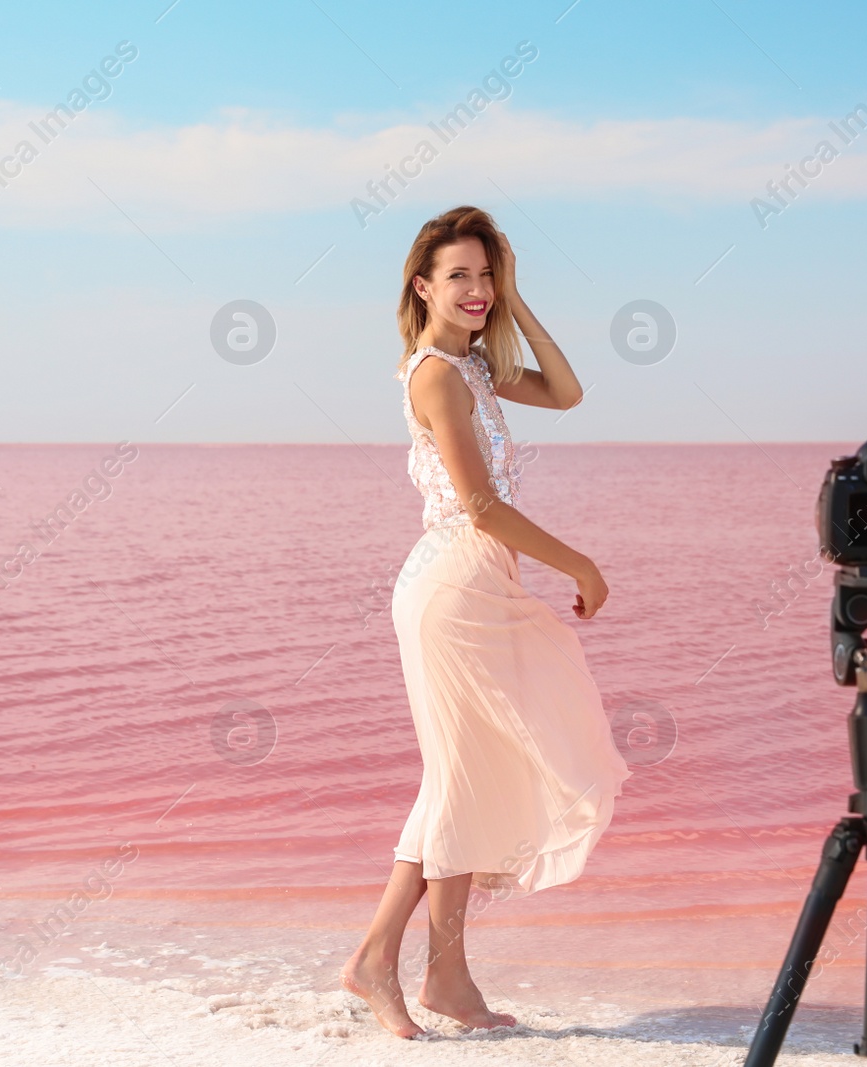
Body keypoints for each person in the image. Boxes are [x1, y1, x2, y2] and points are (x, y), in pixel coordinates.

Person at [340, 205, 632, 1038]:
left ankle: (446, 975)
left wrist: (517, 302)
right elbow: (477, 504)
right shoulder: (434, 373)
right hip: (455, 588)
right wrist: (579, 562)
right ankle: (384, 958)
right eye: (457, 275)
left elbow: (568, 393)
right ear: (421, 286)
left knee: (464, 780)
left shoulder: (473, 368)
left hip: (480, 584)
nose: (474, 290)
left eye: (485, 274)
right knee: (457, 779)